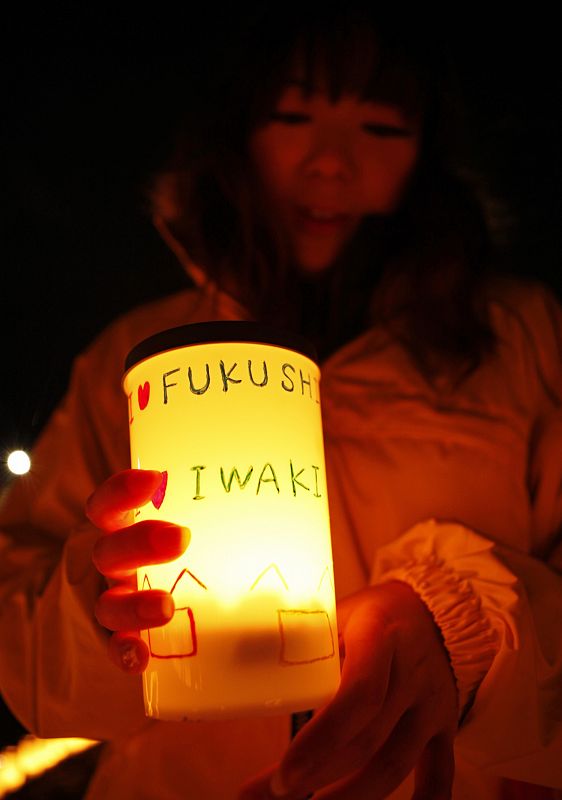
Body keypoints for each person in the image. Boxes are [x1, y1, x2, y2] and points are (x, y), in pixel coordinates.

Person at [1, 6, 561, 799]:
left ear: (427, 150)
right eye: (294, 116)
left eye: (380, 127)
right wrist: (92, 621)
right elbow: (21, 635)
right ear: (238, 129)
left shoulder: (522, 338)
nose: (331, 163)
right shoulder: (133, 361)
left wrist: (465, 635)